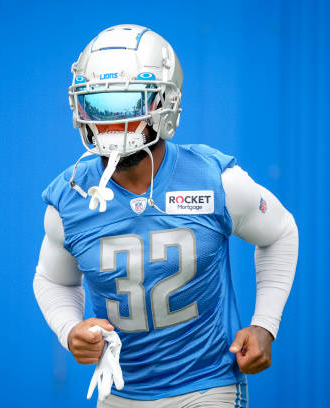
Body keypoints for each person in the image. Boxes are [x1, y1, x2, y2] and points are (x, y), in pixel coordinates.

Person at [33, 24, 298, 407]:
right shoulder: (71, 197)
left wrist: (264, 326)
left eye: (126, 105)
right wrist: (69, 328)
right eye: (98, 106)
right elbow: (52, 280)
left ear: (163, 103)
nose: (112, 125)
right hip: (120, 389)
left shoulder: (216, 181)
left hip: (207, 384)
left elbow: (280, 232)